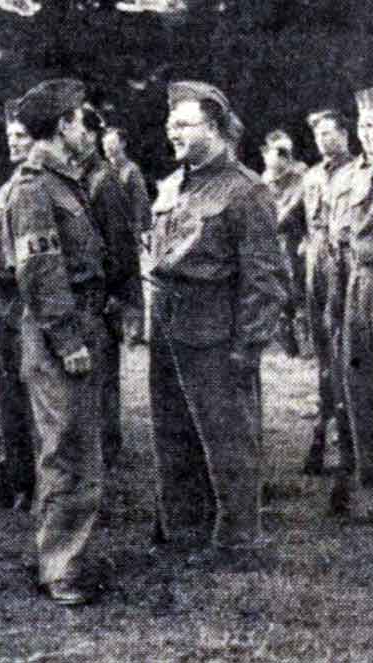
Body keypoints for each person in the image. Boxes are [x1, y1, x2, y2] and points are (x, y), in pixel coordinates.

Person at [148, 81, 287, 569]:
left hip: (215, 325)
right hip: (168, 319)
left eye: (183, 124)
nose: (173, 132)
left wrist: (249, 344)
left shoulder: (246, 191)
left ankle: (239, 538)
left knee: (228, 434)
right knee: (173, 428)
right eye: (171, 125)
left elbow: (264, 277)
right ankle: (184, 527)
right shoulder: (173, 184)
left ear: (217, 128)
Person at [3, 79, 111, 606]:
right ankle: (60, 566)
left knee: (79, 446)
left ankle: (64, 555)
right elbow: (40, 271)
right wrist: (68, 338)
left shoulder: (67, 181)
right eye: (78, 119)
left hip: (79, 322)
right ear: (64, 125)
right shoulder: (34, 188)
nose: (83, 127)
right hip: (57, 332)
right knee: (66, 450)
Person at [323, 86, 373, 523]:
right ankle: (370, 483)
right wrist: (335, 303)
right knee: (356, 391)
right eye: (366, 125)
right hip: (355, 284)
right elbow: (339, 242)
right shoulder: (348, 177)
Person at [73, 101, 141, 470]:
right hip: (86, 296)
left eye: (81, 131)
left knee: (101, 382)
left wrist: (116, 297)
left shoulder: (104, 181)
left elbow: (120, 247)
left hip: (100, 299)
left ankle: (106, 455)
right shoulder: (77, 176)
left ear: (93, 135)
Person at [292, 109, 355, 476]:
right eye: (318, 135)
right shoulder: (312, 176)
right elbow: (298, 218)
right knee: (323, 354)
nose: (324, 140)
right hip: (315, 265)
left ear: (345, 134)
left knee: (342, 352)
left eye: (330, 133)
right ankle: (325, 427)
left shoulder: (357, 171)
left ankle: (343, 438)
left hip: (341, 266)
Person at [0, 98, 35, 511]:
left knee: (32, 392)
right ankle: (15, 474)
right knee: (8, 393)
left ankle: (32, 482)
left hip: (25, 299)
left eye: (22, 136)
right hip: (2, 301)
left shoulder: (36, 187)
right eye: (10, 137)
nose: (14, 144)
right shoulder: (9, 186)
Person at [102, 127, 153, 347]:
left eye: (112, 143)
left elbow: (140, 203)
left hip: (127, 233)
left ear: (123, 144)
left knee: (132, 280)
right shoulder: (104, 171)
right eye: (105, 144)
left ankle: (136, 330)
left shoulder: (131, 171)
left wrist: (139, 233)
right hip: (109, 234)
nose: (108, 148)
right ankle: (116, 327)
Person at [259, 130, 307, 358]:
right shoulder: (261, 182)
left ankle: (302, 344)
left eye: (287, 152)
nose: (284, 157)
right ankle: (285, 343)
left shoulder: (302, 179)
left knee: (296, 293)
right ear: (265, 153)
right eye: (277, 152)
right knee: (273, 294)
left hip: (293, 245)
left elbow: (289, 214)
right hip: (269, 246)